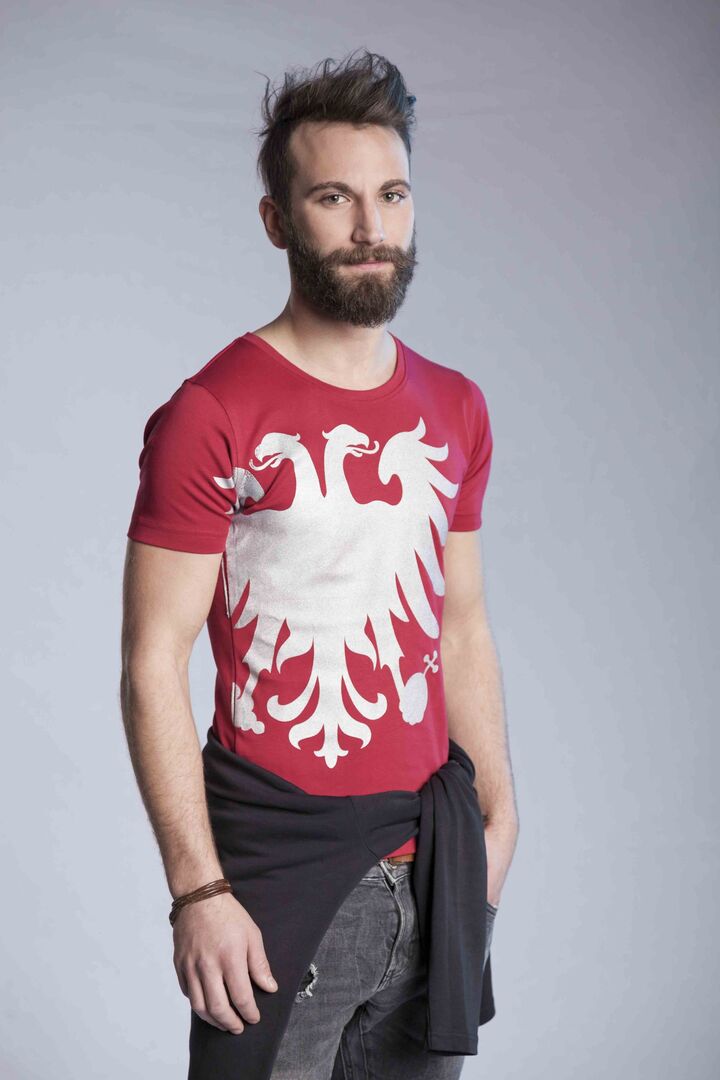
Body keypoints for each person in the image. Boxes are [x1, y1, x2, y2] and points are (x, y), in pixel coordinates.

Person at [121, 47, 519, 1080]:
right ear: (278, 220)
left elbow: (460, 621)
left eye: (392, 195)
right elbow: (153, 661)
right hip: (277, 869)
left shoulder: (457, 406)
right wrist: (198, 890)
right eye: (334, 198)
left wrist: (498, 817)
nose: (370, 227)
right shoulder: (211, 413)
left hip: (434, 865)